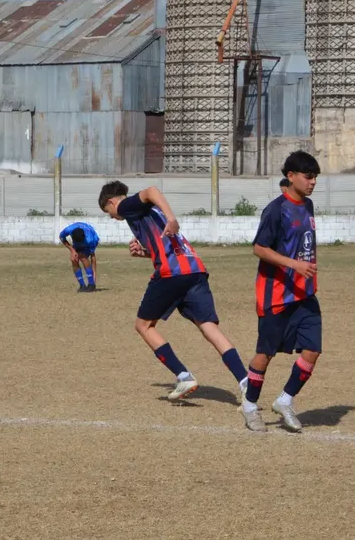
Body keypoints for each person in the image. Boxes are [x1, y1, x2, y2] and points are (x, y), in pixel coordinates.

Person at [98, 180, 249, 402]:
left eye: (108, 211)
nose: (112, 216)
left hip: (172, 274)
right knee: (208, 327)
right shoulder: (150, 211)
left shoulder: (125, 206)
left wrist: (172, 218)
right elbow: (165, 246)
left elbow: (151, 190)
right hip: (194, 269)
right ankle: (246, 382)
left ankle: (183, 375)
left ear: (112, 202)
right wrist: (145, 253)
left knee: (144, 325)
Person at [241, 150, 323, 433]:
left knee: (313, 349)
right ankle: (250, 405)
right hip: (276, 295)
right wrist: (294, 265)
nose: (312, 182)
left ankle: (285, 400)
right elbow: (259, 249)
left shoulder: (308, 205)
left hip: (305, 294)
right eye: (308, 176)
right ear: (291, 176)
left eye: (315, 177)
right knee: (265, 355)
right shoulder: (276, 210)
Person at [59, 221, 100, 292]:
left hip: (88, 243)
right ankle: (82, 285)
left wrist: (94, 278)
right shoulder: (68, 230)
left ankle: (91, 284)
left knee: (83, 257)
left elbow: (93, 257)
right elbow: (61, 237)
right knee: (74, 259)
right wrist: (72, 250)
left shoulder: (91, 240)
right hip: (78, 240)